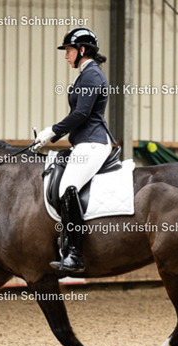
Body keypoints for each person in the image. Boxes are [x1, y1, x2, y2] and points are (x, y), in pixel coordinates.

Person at [33, 27, 114, 274]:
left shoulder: (91, 75)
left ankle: (76, 254)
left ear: (82, 50)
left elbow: (81, 114)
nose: (66, 55)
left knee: (67, 187)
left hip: (93, 143)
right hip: (83, 142)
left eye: (68, 50)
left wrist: (52, 132)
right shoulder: (85, 74)